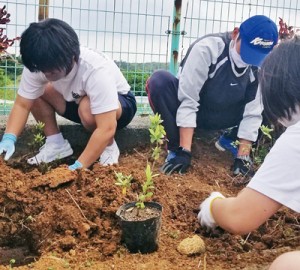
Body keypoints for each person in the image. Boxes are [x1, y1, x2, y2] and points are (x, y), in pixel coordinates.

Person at [198, 36, 300, 269]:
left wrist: (214, 205)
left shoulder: (296, 140)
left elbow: (238, 217)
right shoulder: (208, 51)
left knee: (286, 264)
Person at [146, 15, 278, 175]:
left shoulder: (260, 65)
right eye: (246, 52)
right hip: (197, 110)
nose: (248, 60)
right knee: (159, 81)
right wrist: (184, 151)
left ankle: (230, 140)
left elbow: (253, 111)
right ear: (236, 34)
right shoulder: (207, 49)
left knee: (274, 96)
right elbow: (188, 100)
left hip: (225, 114)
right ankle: (175, 148)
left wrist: (243, 156)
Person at [0, 18, 137, 170]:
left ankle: (109, 146)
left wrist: (78, 166)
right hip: (74, 101)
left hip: (117, 107)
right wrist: (9, 138)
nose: (46, 73)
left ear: (71, 57)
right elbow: (23, 104)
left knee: (87, 107)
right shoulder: (38, 63)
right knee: (34, 93)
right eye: (41, 68)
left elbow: (106, 128)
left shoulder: (95, 70)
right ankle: (55, 144)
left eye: (51, 69)